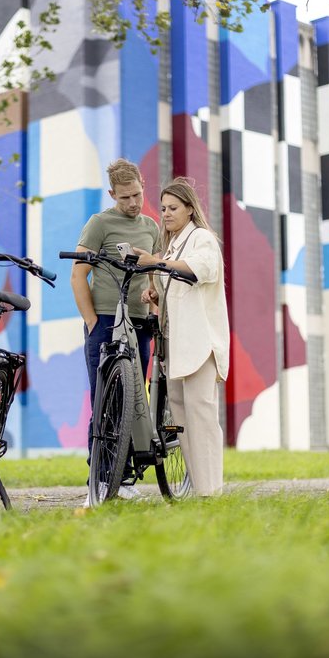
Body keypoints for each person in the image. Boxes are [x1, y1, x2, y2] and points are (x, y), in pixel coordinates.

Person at [71, 158, 160, 502]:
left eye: (136, 195)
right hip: (106, 320)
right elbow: (78, 274)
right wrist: (92, 322)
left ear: (142, 186)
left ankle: (125, 479)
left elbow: (153, 276)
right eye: (124, 198)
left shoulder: (151, 227)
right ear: (112, 194)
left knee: (135, 400)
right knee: (105, 400)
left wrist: (154, 309)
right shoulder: (99, 224)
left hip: (139, 323)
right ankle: (101, 480)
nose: (132, 203)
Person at [135, 177, 230, 497]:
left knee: (201, 415)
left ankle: (212, 491)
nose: (166, 214)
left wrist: (155, 262)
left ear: (190, 209)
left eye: (173, 208)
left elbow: (199, 271)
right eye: (162, 208)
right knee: (182, 419)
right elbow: (178, 293)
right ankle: (200, 489)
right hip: (174, 347)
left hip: (200, 343)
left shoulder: (201, 238)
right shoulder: (173, 245)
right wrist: (155, 294)